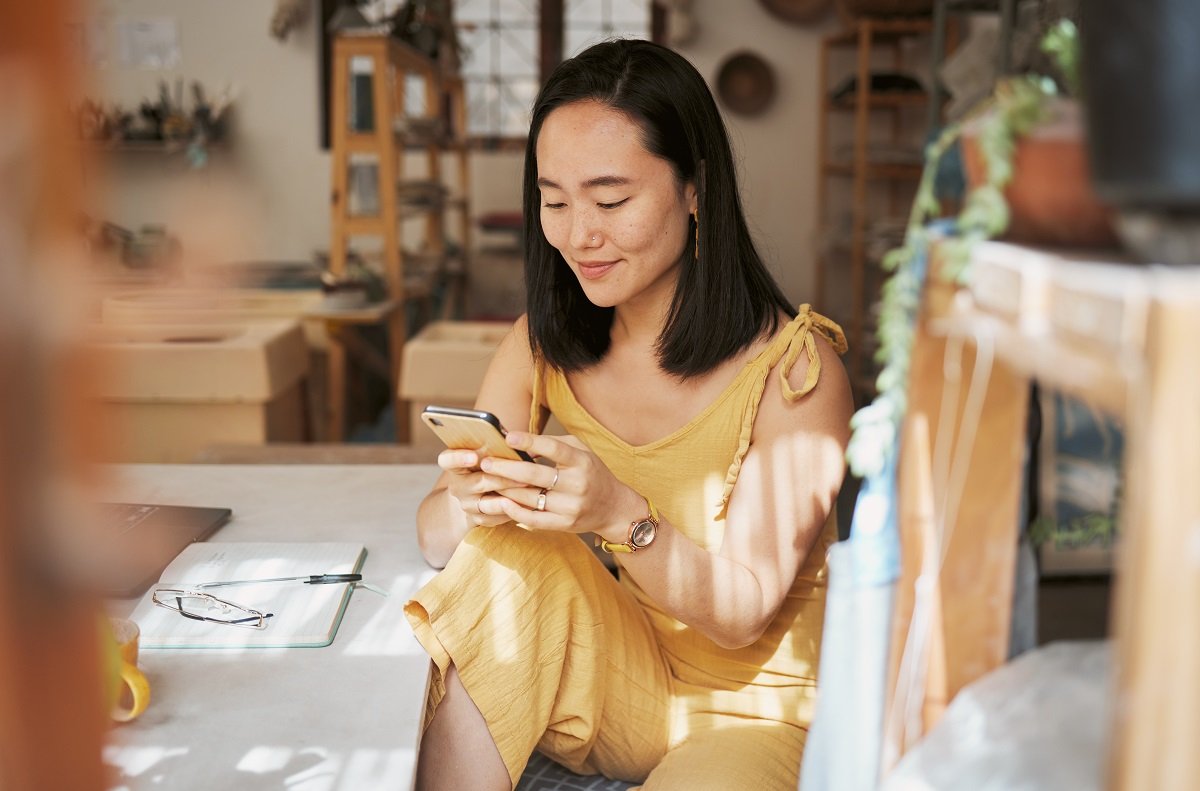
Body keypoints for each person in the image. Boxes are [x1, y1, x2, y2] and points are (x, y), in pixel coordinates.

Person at [404, 38, 853, 791]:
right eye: (555, 201)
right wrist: (470, 502)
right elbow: (434, 533)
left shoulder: (798, 370)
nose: (580, 233)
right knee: (508, 549)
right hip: (628, 684)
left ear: (693, 189)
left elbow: (743, 609)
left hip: (758, 714)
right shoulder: (542, 342)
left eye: (611, 200)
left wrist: (618, 511)